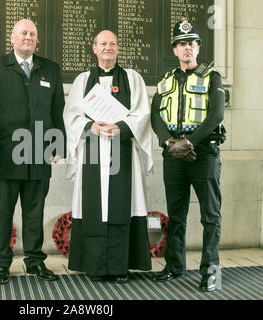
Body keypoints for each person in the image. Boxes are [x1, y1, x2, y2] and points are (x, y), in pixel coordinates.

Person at [0, 19, 66, 284]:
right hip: (3, 153)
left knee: (34, 211)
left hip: (38, 153)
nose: (28, 37)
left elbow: (57, 109)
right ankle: (2, 263)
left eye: (33, 34)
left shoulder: (51, 69)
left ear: (37, 40)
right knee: (2, 211)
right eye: (23, 33)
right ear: (12, 38)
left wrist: (57, 144)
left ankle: (35, 262)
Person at [63, 30, 153, 283]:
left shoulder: (132, 78)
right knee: (94, 206)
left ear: (118, 48)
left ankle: (120, 266)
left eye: (112, 44)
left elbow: (142, 113)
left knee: (122, 204)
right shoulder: (83, 80)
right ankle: (95, 266)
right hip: (93, 148)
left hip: (122, 148)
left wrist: (121, 128)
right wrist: (91, 127)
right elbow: (71, 115)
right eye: (103, 44)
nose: (108, 48)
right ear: (94, 48)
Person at [150, 20, 225, 292]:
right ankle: (174, 266)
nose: (187, 48)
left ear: (198, 47)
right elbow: (155, 114)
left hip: (203, 154)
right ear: (175, 49)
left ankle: (211, 271)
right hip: (173, 155)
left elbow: (216, 114)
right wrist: (169, 141)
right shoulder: (166, 80)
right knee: (176, 214)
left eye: (192, 43)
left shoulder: (212, 77)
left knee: (210, 215)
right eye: (182, 44)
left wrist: (190, 142)